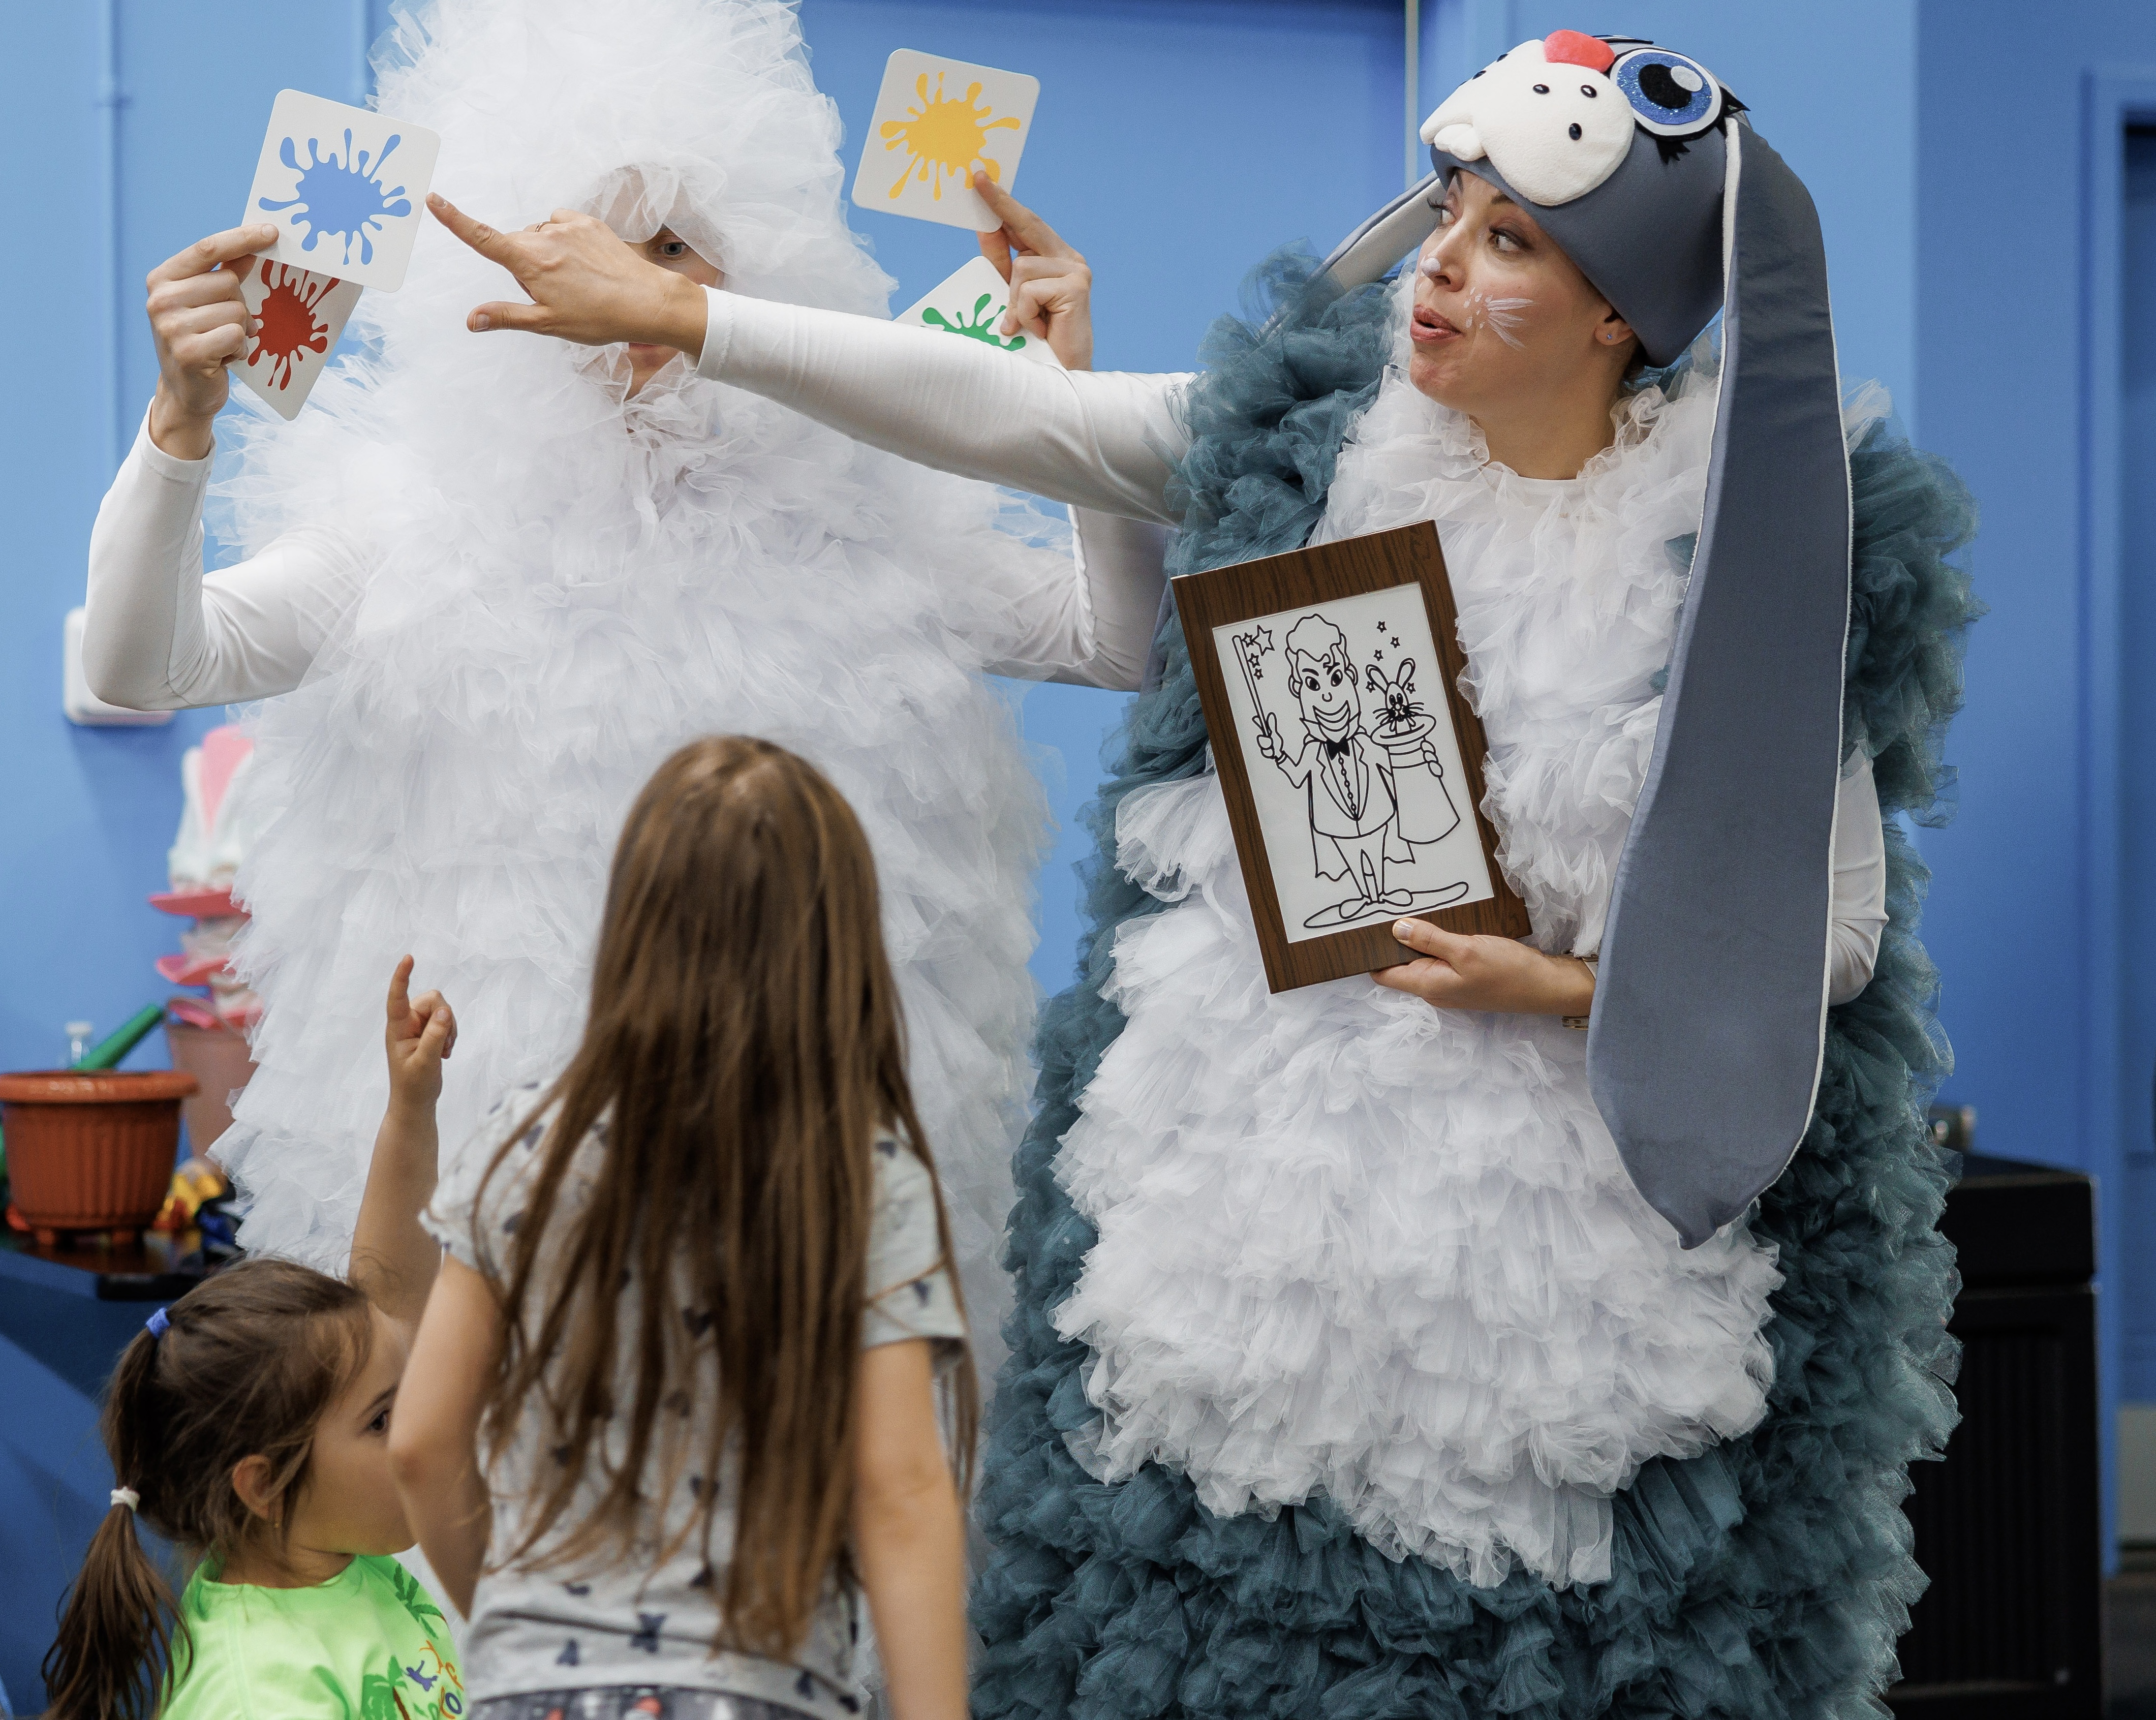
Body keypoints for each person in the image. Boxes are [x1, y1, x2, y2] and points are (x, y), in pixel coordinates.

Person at [425, 29, 1979, 1717]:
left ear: (1619, 313)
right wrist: (688, 320)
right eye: (1448, 213)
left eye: (1510, 240)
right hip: (1258, 1200)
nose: (1441, 266)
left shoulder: (1734, 558)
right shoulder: (1307, 456)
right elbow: (1013, 414)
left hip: (1554, 1254)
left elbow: (1821, 940)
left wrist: (1554, 984)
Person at [78, 0, 1171, 1370]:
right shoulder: (403, 519)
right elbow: (138, 659)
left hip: (814, 1188)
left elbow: (1108, 641)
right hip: (500, 1209)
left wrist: (1073, 412)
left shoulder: (865, 507)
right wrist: (180, 425)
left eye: (671, 249)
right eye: (580, 243)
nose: (628, 295)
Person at [385, 736, 973, 1720]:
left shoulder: (522, 1146)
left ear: (631, 929)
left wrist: (526, 1626)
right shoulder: (860, 1176)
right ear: (837, 948)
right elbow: (901, 1492)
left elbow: (420, 1443)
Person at [38, 1255, 462, 1720]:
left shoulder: (345, 1563)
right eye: (381, 1420)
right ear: (266, 1487)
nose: (416, 1432)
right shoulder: (259, 1697)